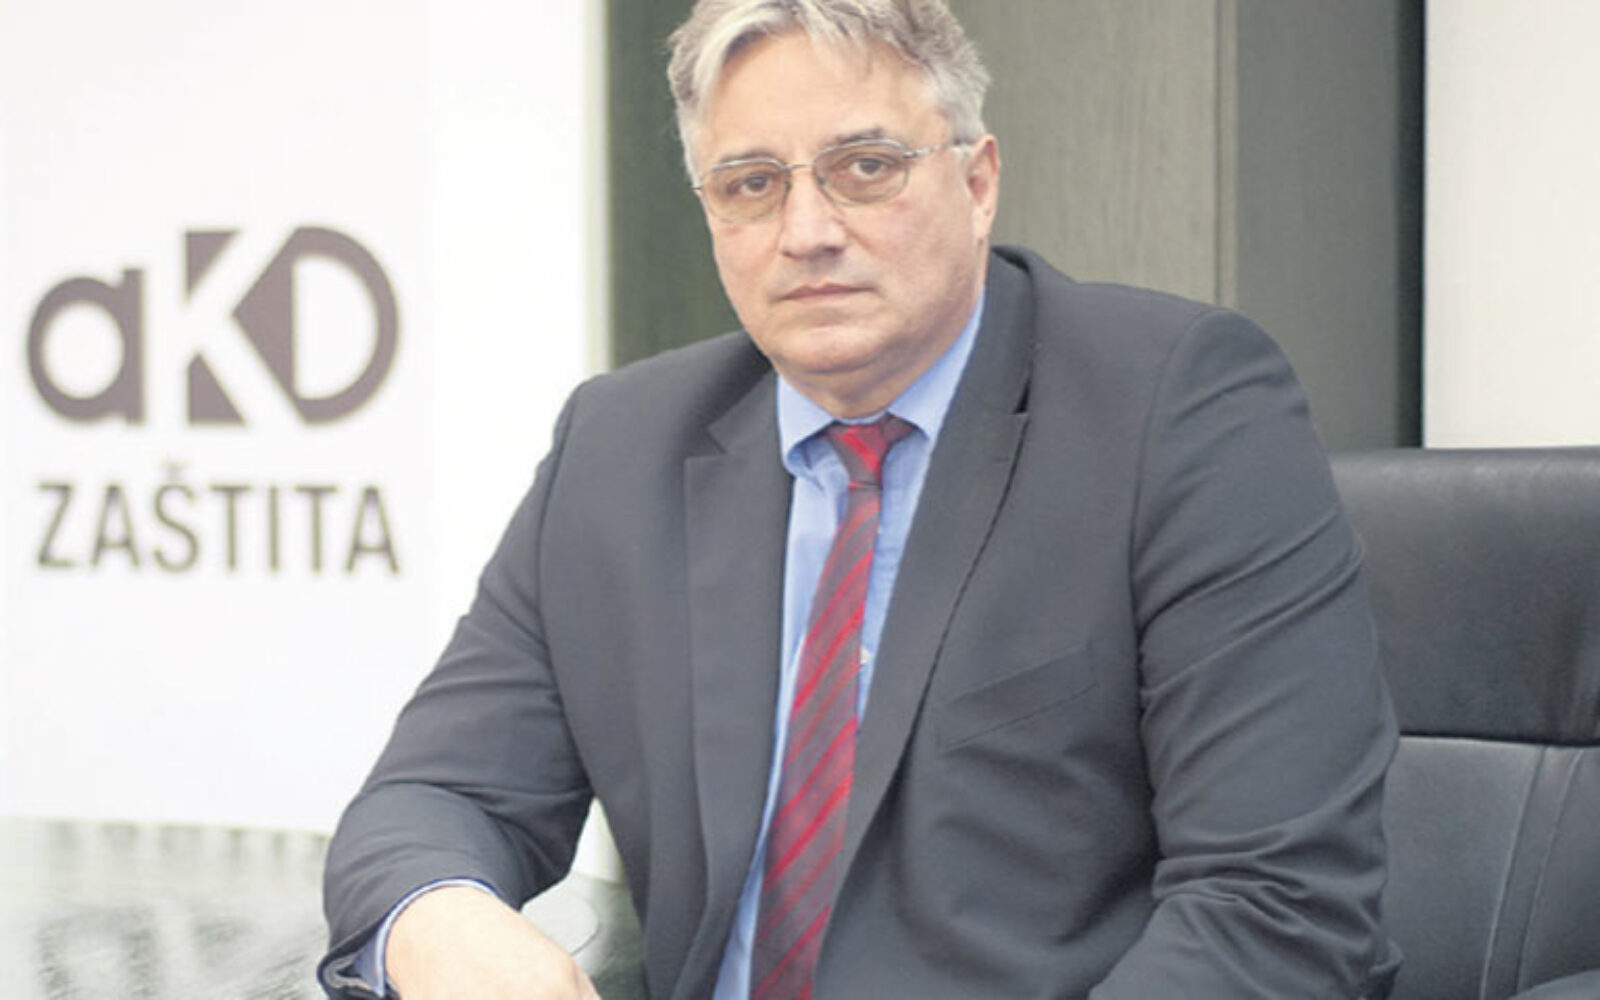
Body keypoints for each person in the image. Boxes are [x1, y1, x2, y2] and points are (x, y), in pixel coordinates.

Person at [319, 1, 1401, 997]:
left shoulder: (1177, 410)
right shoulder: (621, 446)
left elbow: (1275, 907)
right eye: (751, 184)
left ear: (978, 182)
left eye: (865, 167)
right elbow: (437, 795)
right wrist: (444, 923)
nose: (806, 230)